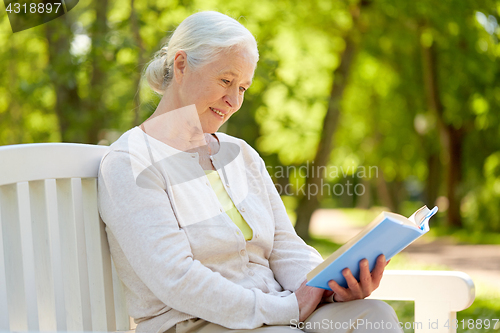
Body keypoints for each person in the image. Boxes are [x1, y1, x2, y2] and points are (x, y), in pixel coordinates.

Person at [97, 11, 403, 333]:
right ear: (182, 65)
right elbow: (176, 278)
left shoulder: (240, 154)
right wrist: (288, 307)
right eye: (226, 81)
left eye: (243, 88)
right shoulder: (129, 161)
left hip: (276, 314)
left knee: (375, 317)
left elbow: (285, 246)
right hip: (196, 323)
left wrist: (325, 286)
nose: (233, 100)